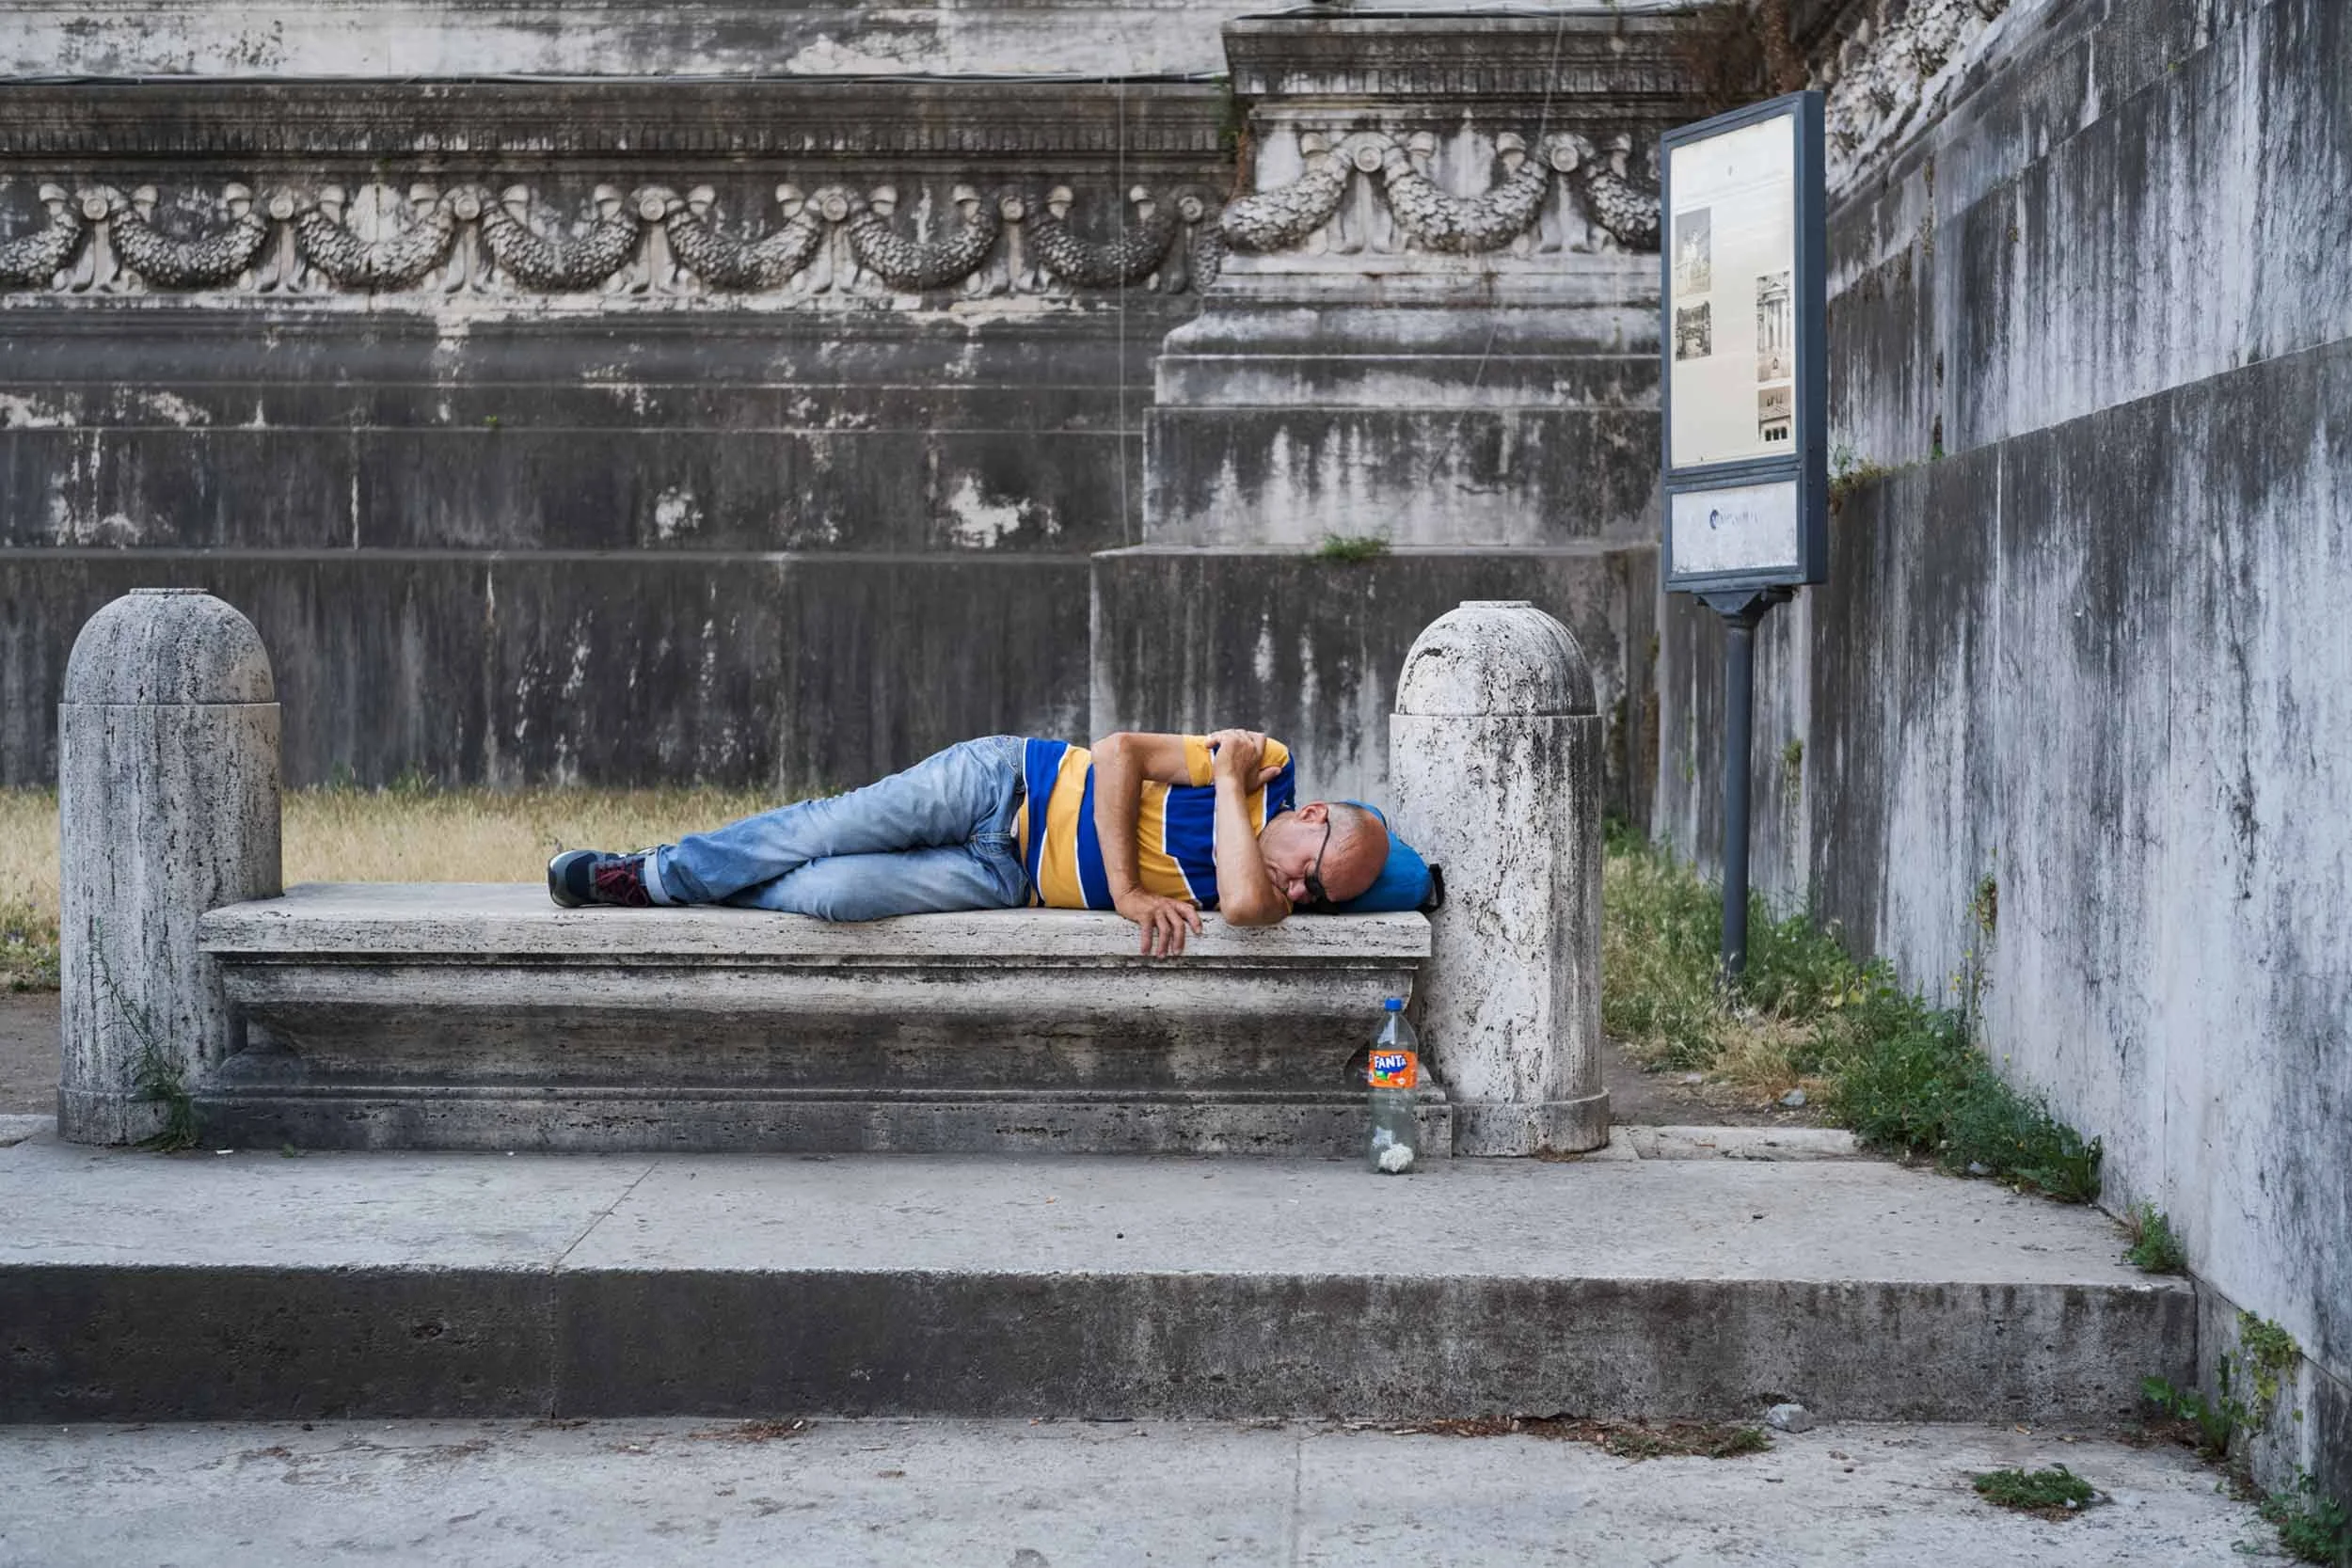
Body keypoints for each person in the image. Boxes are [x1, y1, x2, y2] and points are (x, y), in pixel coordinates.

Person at [547, 729, 1406, 956]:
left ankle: (712, 876)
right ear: (1312, 814)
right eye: (1312, 872)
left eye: (1319, 898)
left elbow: (1248, 905)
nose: (1300, 894)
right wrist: (1130, 891)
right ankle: (652, 875)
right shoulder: (1268, 763)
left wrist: (1222, 782)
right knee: (824, 826)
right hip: (1007, 781)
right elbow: (1116, 754)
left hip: (1004, 876)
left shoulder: (1242, 789)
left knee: (833, 894)